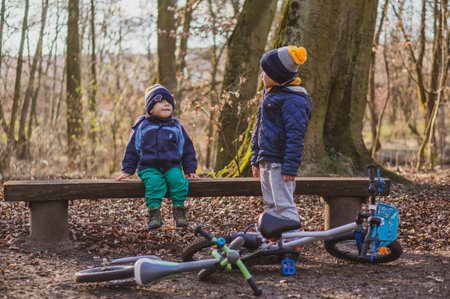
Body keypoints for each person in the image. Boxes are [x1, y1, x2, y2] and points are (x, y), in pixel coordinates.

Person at [115, 84, 200, 229]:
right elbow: (132, 149)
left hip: (171, 166)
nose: (166, 104)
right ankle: (154, 212)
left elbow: (186, 149)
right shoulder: (143, 126)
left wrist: (190, 169)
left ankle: (179, 210)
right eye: (160, 102)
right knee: (154, 183)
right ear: (151, 108)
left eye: (169, 103)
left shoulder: (176, 126)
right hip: (148, 167)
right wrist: (128, 169)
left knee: (178, 181)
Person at [251, 46, 312, 222]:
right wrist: (256, 158)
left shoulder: (294, 99)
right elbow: (258, 129)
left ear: (277, 76)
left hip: (280, 162)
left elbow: (295, 135)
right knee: (270, 204)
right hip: (266, 159)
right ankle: (275, 243)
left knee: (283, 205)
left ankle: (291, 243)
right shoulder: (270, 95)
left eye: (265, 72)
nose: (262, 75)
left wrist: (290, 167)